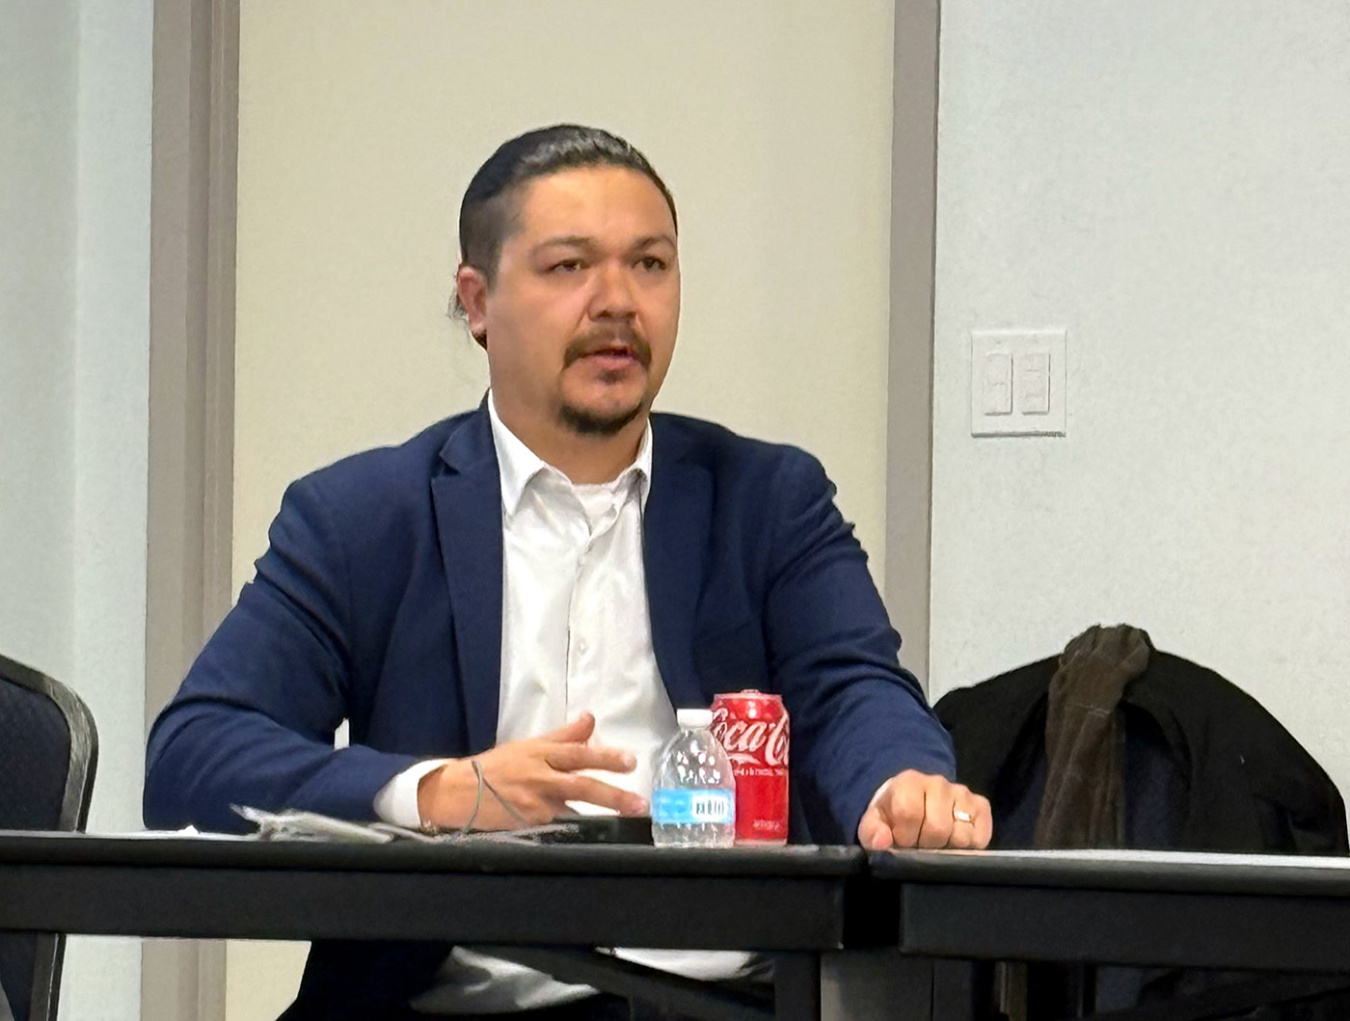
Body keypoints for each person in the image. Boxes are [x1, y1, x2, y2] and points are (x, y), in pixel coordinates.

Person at [144, 124, 991, 1019]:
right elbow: (196, 749)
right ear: (477, 301)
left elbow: (855, 688)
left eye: (650, 265)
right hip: (450, 1006)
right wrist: (432, 792)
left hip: (723, 1004)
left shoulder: (768, 499)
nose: (617, 302)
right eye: (569, 267)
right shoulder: (365, 517)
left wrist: (901, 784)